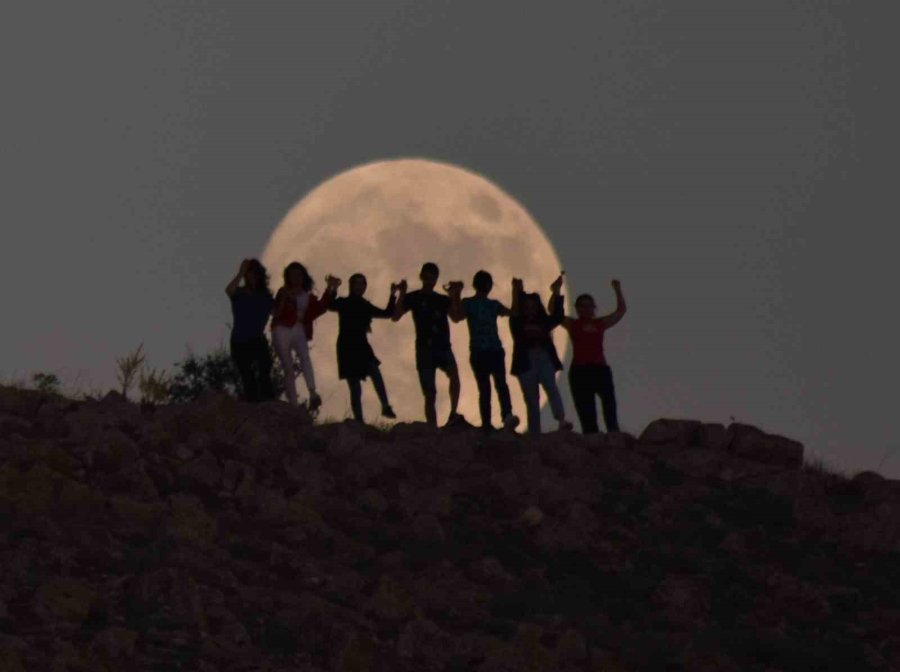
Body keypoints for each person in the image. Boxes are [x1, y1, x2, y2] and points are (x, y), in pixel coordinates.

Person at [392, 262, 463, 427]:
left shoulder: (441, 299)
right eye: (427, 276)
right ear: (422, 277)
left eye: (433, 277)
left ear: (436, 279)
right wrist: (402, 293)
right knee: (430, 393)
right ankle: (432, 427)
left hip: (442, 346)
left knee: (454, 376)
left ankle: (452, 414)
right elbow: (396, 316)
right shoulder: (414, 297)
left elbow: (456, 317)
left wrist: (455, 294)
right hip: (425, 348)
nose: (430, 280)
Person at [448, 270, 519, 432]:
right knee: (494, 386)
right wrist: (455, 295)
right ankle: (495, 420)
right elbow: (457, 316)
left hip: (488, 350)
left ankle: (499, 419)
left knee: (490, 387)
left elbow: (457, 316)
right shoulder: (481, 304)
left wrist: (456, 294)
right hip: (485, 351)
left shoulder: (486, 304)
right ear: (488, 286)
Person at [329, 273, 399, 423]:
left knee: (375, 371)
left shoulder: (365, 305)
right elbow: (330, 305)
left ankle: (385, 405)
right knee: (355, 387)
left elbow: (387, 313)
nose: (360, 287)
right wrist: (333, 288)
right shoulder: (344, 302)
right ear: (351, 285)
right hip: (347, 346)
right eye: (357, 283)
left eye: (362, 284)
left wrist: (393, 295)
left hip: (361, 345)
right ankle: (359, 421)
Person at [509, 274, 573, 433]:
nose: (530, 310)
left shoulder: (543, 322)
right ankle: (534, 432)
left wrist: (556, 291)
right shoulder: (517, 322)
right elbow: (515, 312)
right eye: (527, 307)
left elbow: (557, 317)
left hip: (544, 357)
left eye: (534, 306)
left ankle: (561, 420)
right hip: (525, 361)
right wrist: (517, 290)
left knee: (551, 387)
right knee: (532, 399)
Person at [271, 262, 340, 410]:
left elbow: (321, 307)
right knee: (287, 366)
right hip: (282, 328)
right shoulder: (283, 292)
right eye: (293, 275)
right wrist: (285, 297)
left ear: (303, 277)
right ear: (288, 277)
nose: (296, 278)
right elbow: (276, 312)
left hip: (299, 328)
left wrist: (331, 287)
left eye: (299, 275)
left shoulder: (307, 297)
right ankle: (293, 405)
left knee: (305, 358)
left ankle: (313, 393)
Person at [562, 279, 627, 433]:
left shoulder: (600, 323)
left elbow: (620, 311)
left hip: (600, 369)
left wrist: (617, 289)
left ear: (593, 308)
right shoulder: (573, 324)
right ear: (577, 308)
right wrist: (557, 291)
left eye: (589, 305)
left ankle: (614, 435)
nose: (586, 309)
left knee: (609, 405)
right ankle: (592, 440)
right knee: (586, 411)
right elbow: (555, 314)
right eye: (582, 306)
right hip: (580, 371)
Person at [225, 258, 275, 402]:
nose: (252, 277)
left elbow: (277, 313)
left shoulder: (265, 297)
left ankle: (268, 401)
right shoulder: (239, 293)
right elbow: (228, 290)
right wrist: (240, 273)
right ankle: (253, 403)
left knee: (264, 368)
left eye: (255, 274)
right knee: (247, 375)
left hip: (257, 339)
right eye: (249, 274)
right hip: (239, 340)